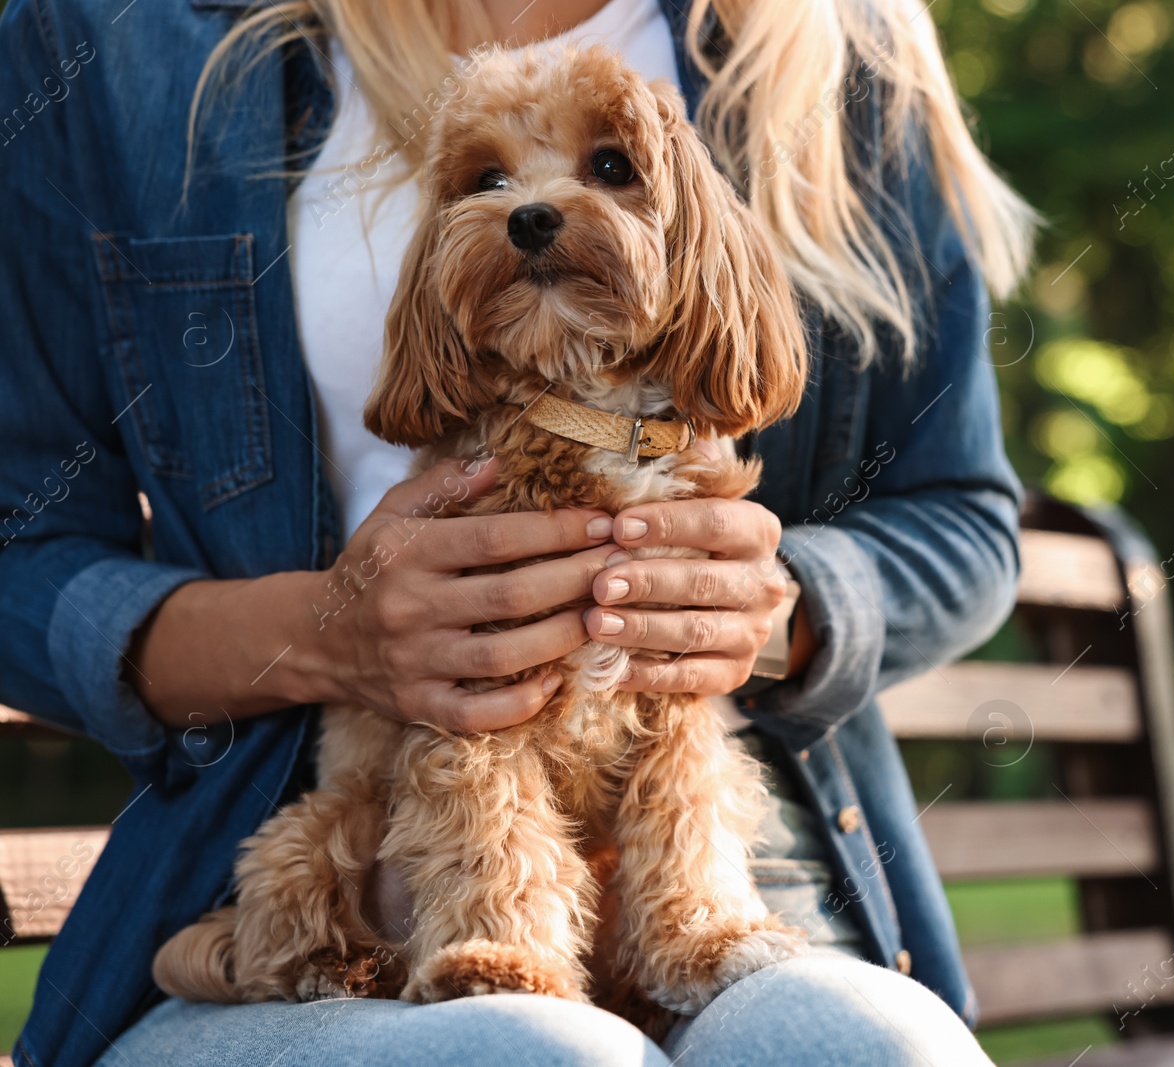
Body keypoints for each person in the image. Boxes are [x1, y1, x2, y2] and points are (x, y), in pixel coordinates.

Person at [0, 0, 1035, 1061]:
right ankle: (462, 932)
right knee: (529, 1046)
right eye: (488, 183)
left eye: (606, 169)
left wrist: (772, 608)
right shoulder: (113, 33)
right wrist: (326, 634)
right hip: (368, 864)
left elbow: (961, 516)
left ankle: (677, 919)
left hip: (754, 871)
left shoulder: (837, 39)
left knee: (861, 1048)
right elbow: (16, 553)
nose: (535, 210)